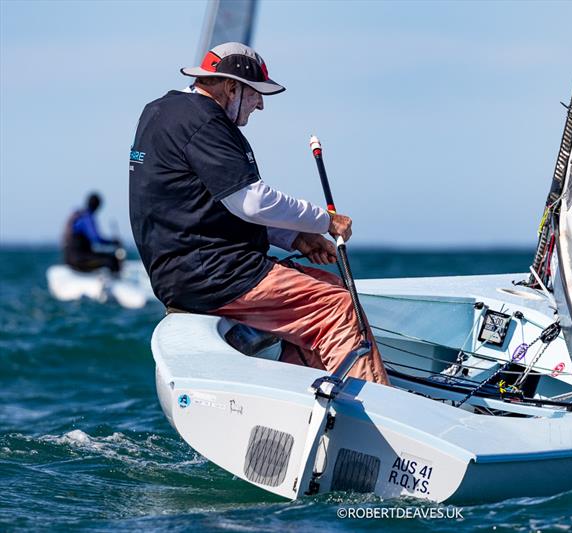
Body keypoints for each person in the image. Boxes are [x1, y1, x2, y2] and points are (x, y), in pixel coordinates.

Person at [129, 42, 388, 385]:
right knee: (338, 307)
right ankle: (375, 412)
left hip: (183, 273)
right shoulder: (206, 122)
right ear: (231, 87)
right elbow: (252, 202)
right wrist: (326, 221)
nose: (261, 105)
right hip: (217, 274)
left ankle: (304, 399)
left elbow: (204, 208)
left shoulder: (161, 111)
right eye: (256, 94)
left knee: (329, 286)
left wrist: (295, 237)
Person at [63, 193, 122, 273]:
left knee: (107, 258)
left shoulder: (80, 216)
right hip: (78, 260)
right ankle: (116, 282)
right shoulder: (87, 218)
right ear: (98, 206)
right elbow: (96, 239)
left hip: (71, 258)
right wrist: (113, 242)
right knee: (111, 260)